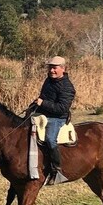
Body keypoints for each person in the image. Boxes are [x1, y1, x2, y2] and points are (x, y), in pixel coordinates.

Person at [34, 56, 76, 185]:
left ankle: (56, 170)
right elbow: (43, 97)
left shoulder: (67, 87)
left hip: (57, 118)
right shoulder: (49, 80)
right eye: (50, 67)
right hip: (43, 114)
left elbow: (62, 108)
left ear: (63, 68)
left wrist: (43, 103)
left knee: (50, 139)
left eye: (54, 68)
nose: (51, 70)